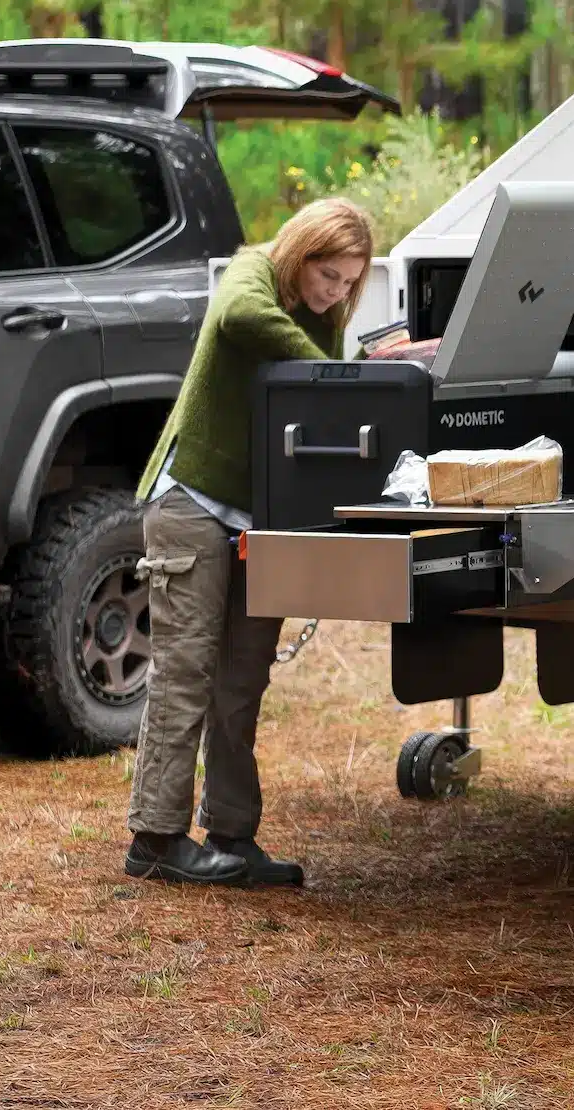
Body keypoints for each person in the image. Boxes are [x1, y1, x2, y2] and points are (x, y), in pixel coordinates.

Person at [123, 199, 374, 886]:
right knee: (186, 671)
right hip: (192, 500)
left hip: (256, 517)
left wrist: (350, 364)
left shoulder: (322, 321)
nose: (337, 292)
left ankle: (231, 833)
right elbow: (242, 320)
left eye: (350, 282)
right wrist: (334, 371)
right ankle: (155, 838)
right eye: (329, 275)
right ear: (300, 253)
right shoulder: (251, 273)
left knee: (242, 677)